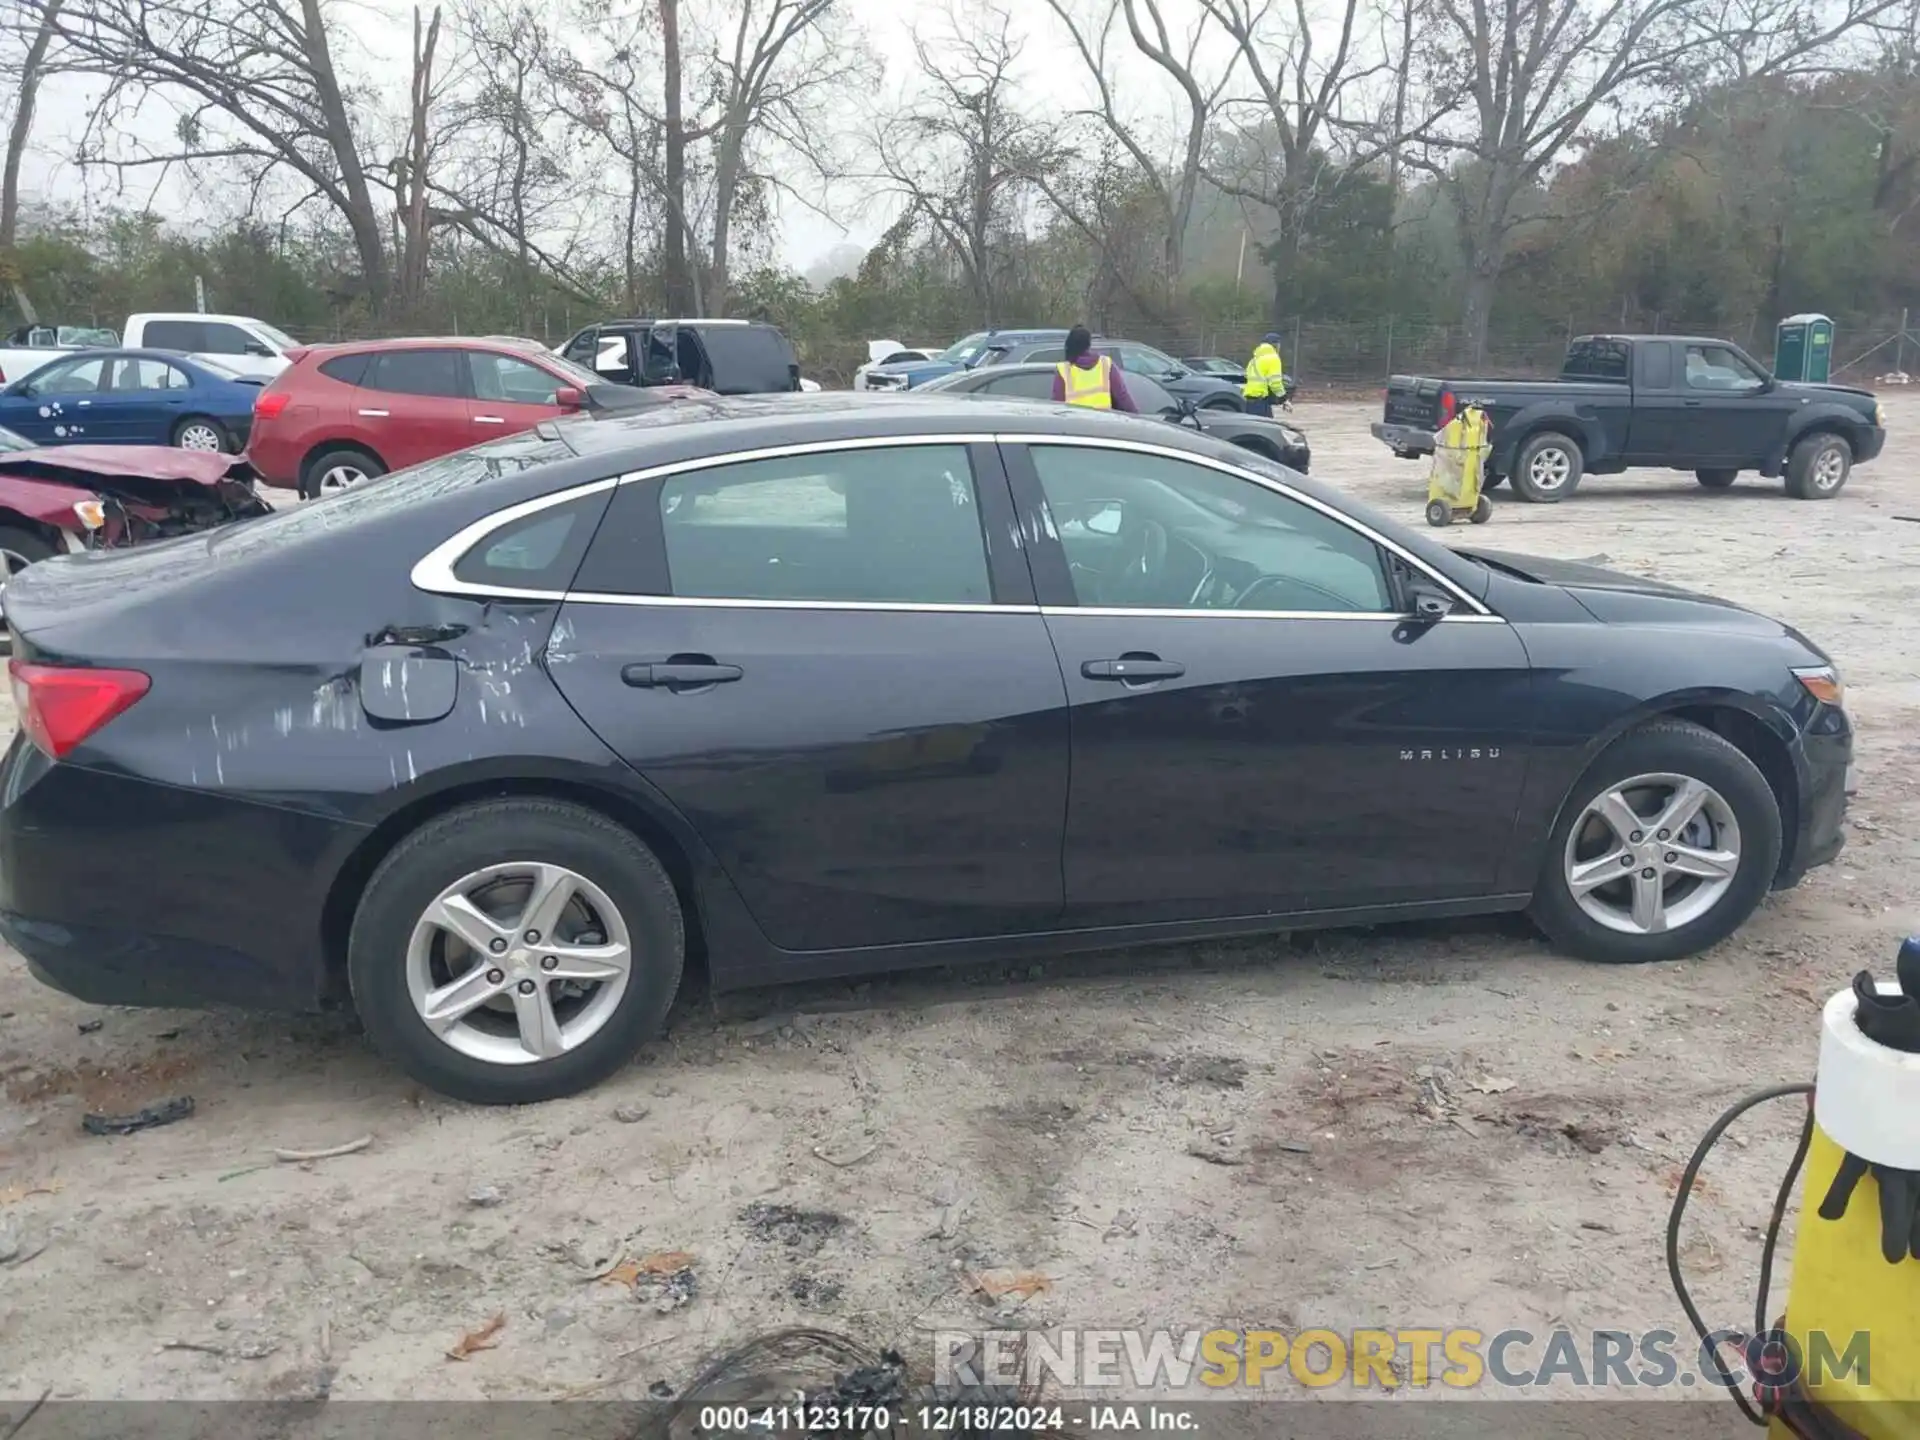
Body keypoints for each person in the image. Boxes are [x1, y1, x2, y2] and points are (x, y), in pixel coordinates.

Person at [1052, 325, 1138, 412]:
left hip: (1075, 423)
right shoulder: (1106, 364)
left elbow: (1058, 405)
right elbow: (1122, 397)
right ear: (1089, 344)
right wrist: (1137, 418)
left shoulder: (1064, 370)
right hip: (1104, 422)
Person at [1244, 333, 1286, 417]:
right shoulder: (1273, 358)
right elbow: (1275, 383)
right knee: (1267, 427)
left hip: (1249, 402)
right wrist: (1284, 398)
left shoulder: (1255, 359)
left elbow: (1247, 376)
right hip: (1261, 402)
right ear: (1276, 345)